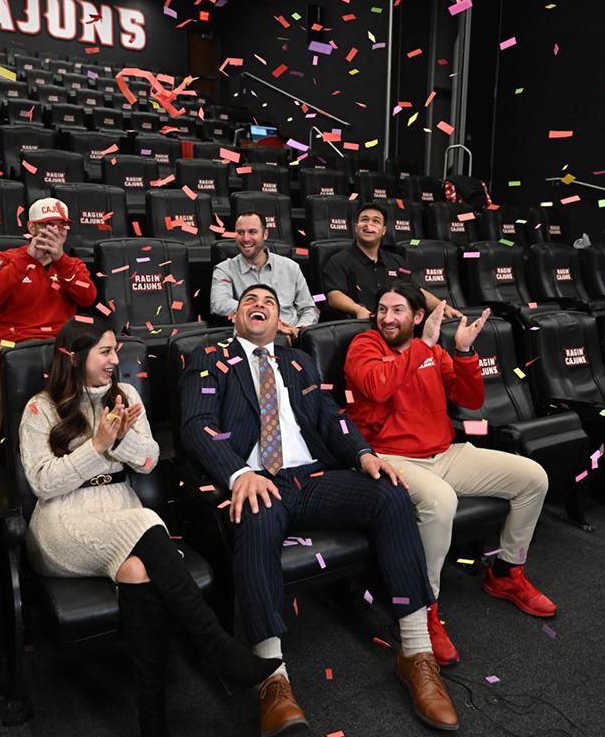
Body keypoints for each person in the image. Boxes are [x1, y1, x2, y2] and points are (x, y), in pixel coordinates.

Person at [180, 283, 460, 735]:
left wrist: (363, 455)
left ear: (280, 320)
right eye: (250, 300)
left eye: (269, 302)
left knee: (391, 494)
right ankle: (271, 678)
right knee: (254, 516)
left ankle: (415, 651)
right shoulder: (208, 358)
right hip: (257, 482)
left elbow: (332, 418)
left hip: (311, 477)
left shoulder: (298, 361)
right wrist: (238, 474)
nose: (259, 306)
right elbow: (196, 425)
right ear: (235, 316)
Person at [19, 319, 279, 737]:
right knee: (147, 520)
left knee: (138, 572)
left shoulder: (127, 396)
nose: (114, 360)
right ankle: (213, 644)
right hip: (61, 522)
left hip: (119, 513)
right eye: (104, 351)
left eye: (115, 351)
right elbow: (42, 483)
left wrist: (122, 437)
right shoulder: (40, 408)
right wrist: (99, 445)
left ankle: (152, 718)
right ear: (74, 356)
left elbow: (149, 461)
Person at [344, 281, 556, 668]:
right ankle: (425, 606)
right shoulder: (365, 346)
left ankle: (506, 572)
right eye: (382, 310)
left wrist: (463, 351)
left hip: (446, 453)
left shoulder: (433, 351)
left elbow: (470, 399)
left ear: (418, 316)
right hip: (393, 457)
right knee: (442, 502)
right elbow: (377, 387)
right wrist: (423, 347)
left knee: (533, 477)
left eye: (397, 311)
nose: (387, 318)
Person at [0, 198, 97, 493]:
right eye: (47, 225)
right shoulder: (7, 258)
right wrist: (30, 258)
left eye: (60, 225)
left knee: (97, 363)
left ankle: (93, 453)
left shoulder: (71, 265)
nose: (54, 231)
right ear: (31, 227)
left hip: (58, 345)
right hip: (8, 344)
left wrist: (59, 260)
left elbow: (88, 297)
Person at [322, 202, 462, 321]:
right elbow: (334, 296)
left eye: (376, 221)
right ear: (355, 227)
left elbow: (416, 291)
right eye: (364, 220)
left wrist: (443, 308)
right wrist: (358, 310)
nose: (369, 224)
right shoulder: (338, 260)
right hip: (362, 325)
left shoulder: (397, 261)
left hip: (396, 325)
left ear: (383, 231)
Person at [210, 211, 318, 339]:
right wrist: (263, 314)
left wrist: (297, 331)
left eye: (252, 232)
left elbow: (309, 308)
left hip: (290, 338)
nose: (245, 238)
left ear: (265, 234)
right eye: (240, 232)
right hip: (250, 338)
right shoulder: (224, 269)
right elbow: (219, 304)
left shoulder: (291, 267)